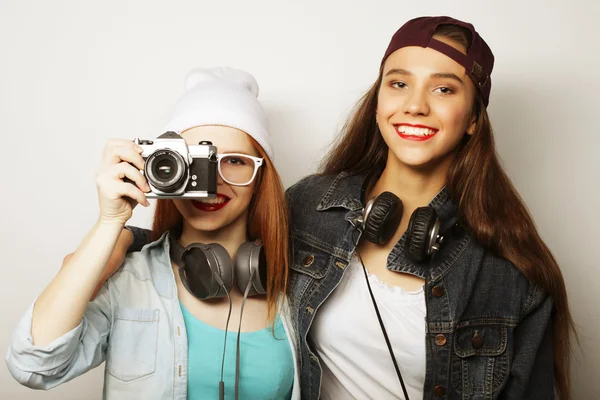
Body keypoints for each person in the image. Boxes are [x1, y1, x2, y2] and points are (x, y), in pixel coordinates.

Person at [49, 16, 573, 399]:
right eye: (398, 83)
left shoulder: (512, 277)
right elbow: (213, 231)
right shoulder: (310, 207)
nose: (416, 104)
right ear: (379, 100)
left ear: (474, 117)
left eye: (443, 88)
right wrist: (120, 237)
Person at [5, 66, 300, 400]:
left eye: (233, 160)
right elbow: (33, 365)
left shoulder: (299, 286)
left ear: (260, 174)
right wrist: (109, 223)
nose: (211, 181)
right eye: (193, 160)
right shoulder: (129, 280)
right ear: (163, 167)